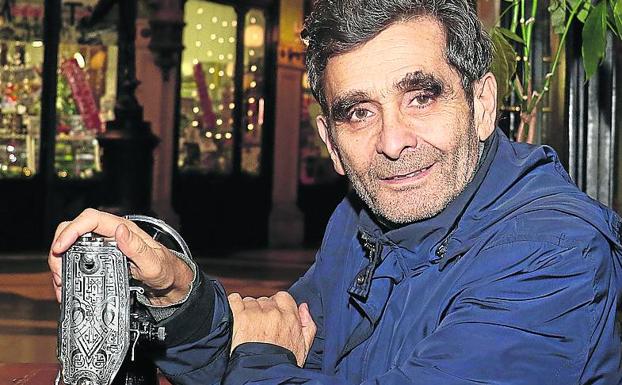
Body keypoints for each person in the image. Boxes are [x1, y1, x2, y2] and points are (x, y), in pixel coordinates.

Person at [49, 0, 622, 384]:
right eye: (358, 112)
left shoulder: (555, 253)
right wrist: (179, 294)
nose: (392, 141)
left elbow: (266, 353)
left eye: (421, 97)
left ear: (481, 105)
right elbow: (269, 342)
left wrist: (263, 356)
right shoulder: (362, 218)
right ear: (329, 140)